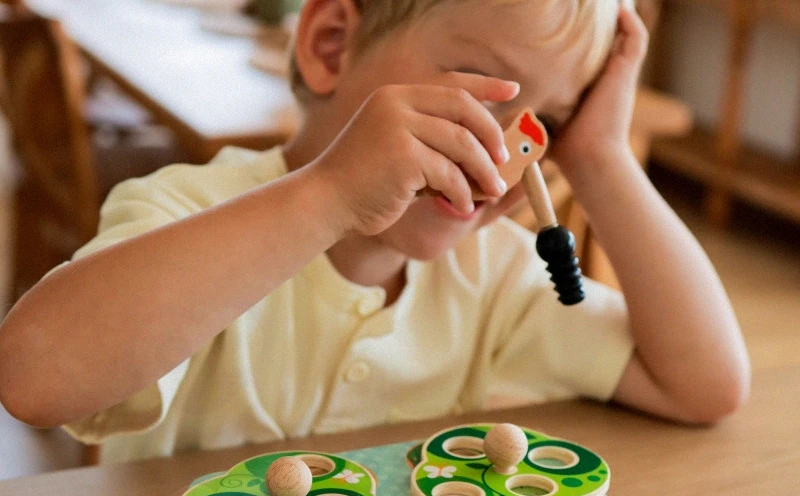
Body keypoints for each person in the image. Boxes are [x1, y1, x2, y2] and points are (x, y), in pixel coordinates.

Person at [0, 0, 750, 463]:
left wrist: (601, 155)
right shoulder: (188, 210)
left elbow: (707, 385)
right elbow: (34, 377)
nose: (500, 159)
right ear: (332, 44)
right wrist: (330, 194)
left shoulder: (497, 277)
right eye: (477, 93)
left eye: (544, 125)